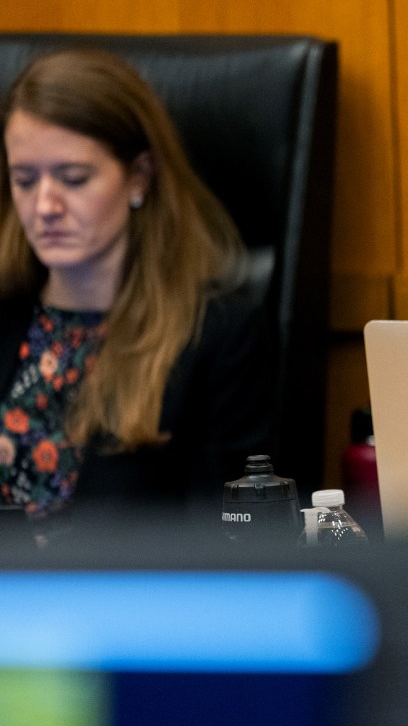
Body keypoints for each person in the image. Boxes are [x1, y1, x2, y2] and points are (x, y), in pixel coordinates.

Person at [0, 49, 271, 531]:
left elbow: (227, 543)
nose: (44, 206)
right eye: (24, 180)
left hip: (131, 601)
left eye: (73, 178)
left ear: (138, 178)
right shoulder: (6, 311)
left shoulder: (216, 340)